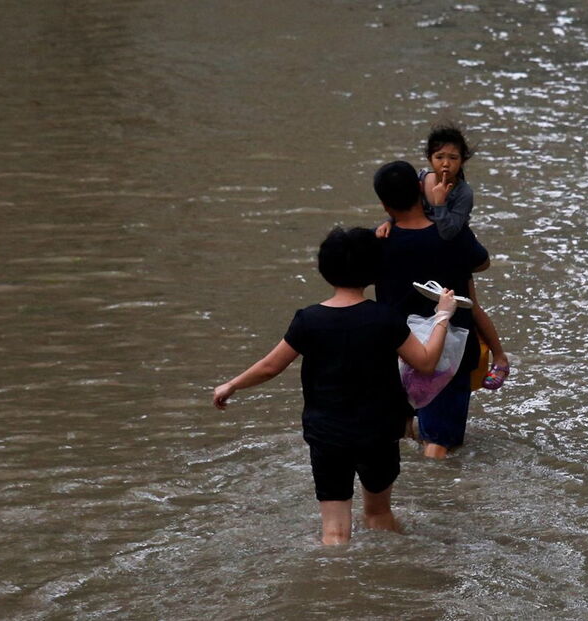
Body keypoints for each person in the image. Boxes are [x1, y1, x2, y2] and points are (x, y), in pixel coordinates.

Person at [212, 226, 458, 545]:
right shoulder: (384, 318)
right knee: (378, 514)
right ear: (373, 271)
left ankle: (335, 587)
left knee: (334, 531)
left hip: (328, 432)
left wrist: (231, 385)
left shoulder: (309, 320)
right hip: (378, 432)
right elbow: (425, 362)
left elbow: (271, 366)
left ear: (325, 270)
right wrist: (442, 316)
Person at [377, 123, 510, 389]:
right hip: (433, 247)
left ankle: (500, 357)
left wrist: (438, 203)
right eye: (440, 158)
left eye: (453, 158)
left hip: (454, 238)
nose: (446, 164)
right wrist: (390, 221)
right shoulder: (424, 179)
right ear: (429, 159)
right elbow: (404, 206)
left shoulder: (463, 192)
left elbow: (449, 231)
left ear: (463, 161)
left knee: (472, 306)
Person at [372, 160, 486, 459]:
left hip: (395, 350)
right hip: (449, 350)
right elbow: (482, 262)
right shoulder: (452, 236)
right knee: (439, 441)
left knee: (399, 432)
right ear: (421, 189)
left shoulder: (379, 241)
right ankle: (434, 499)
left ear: (384, 204)